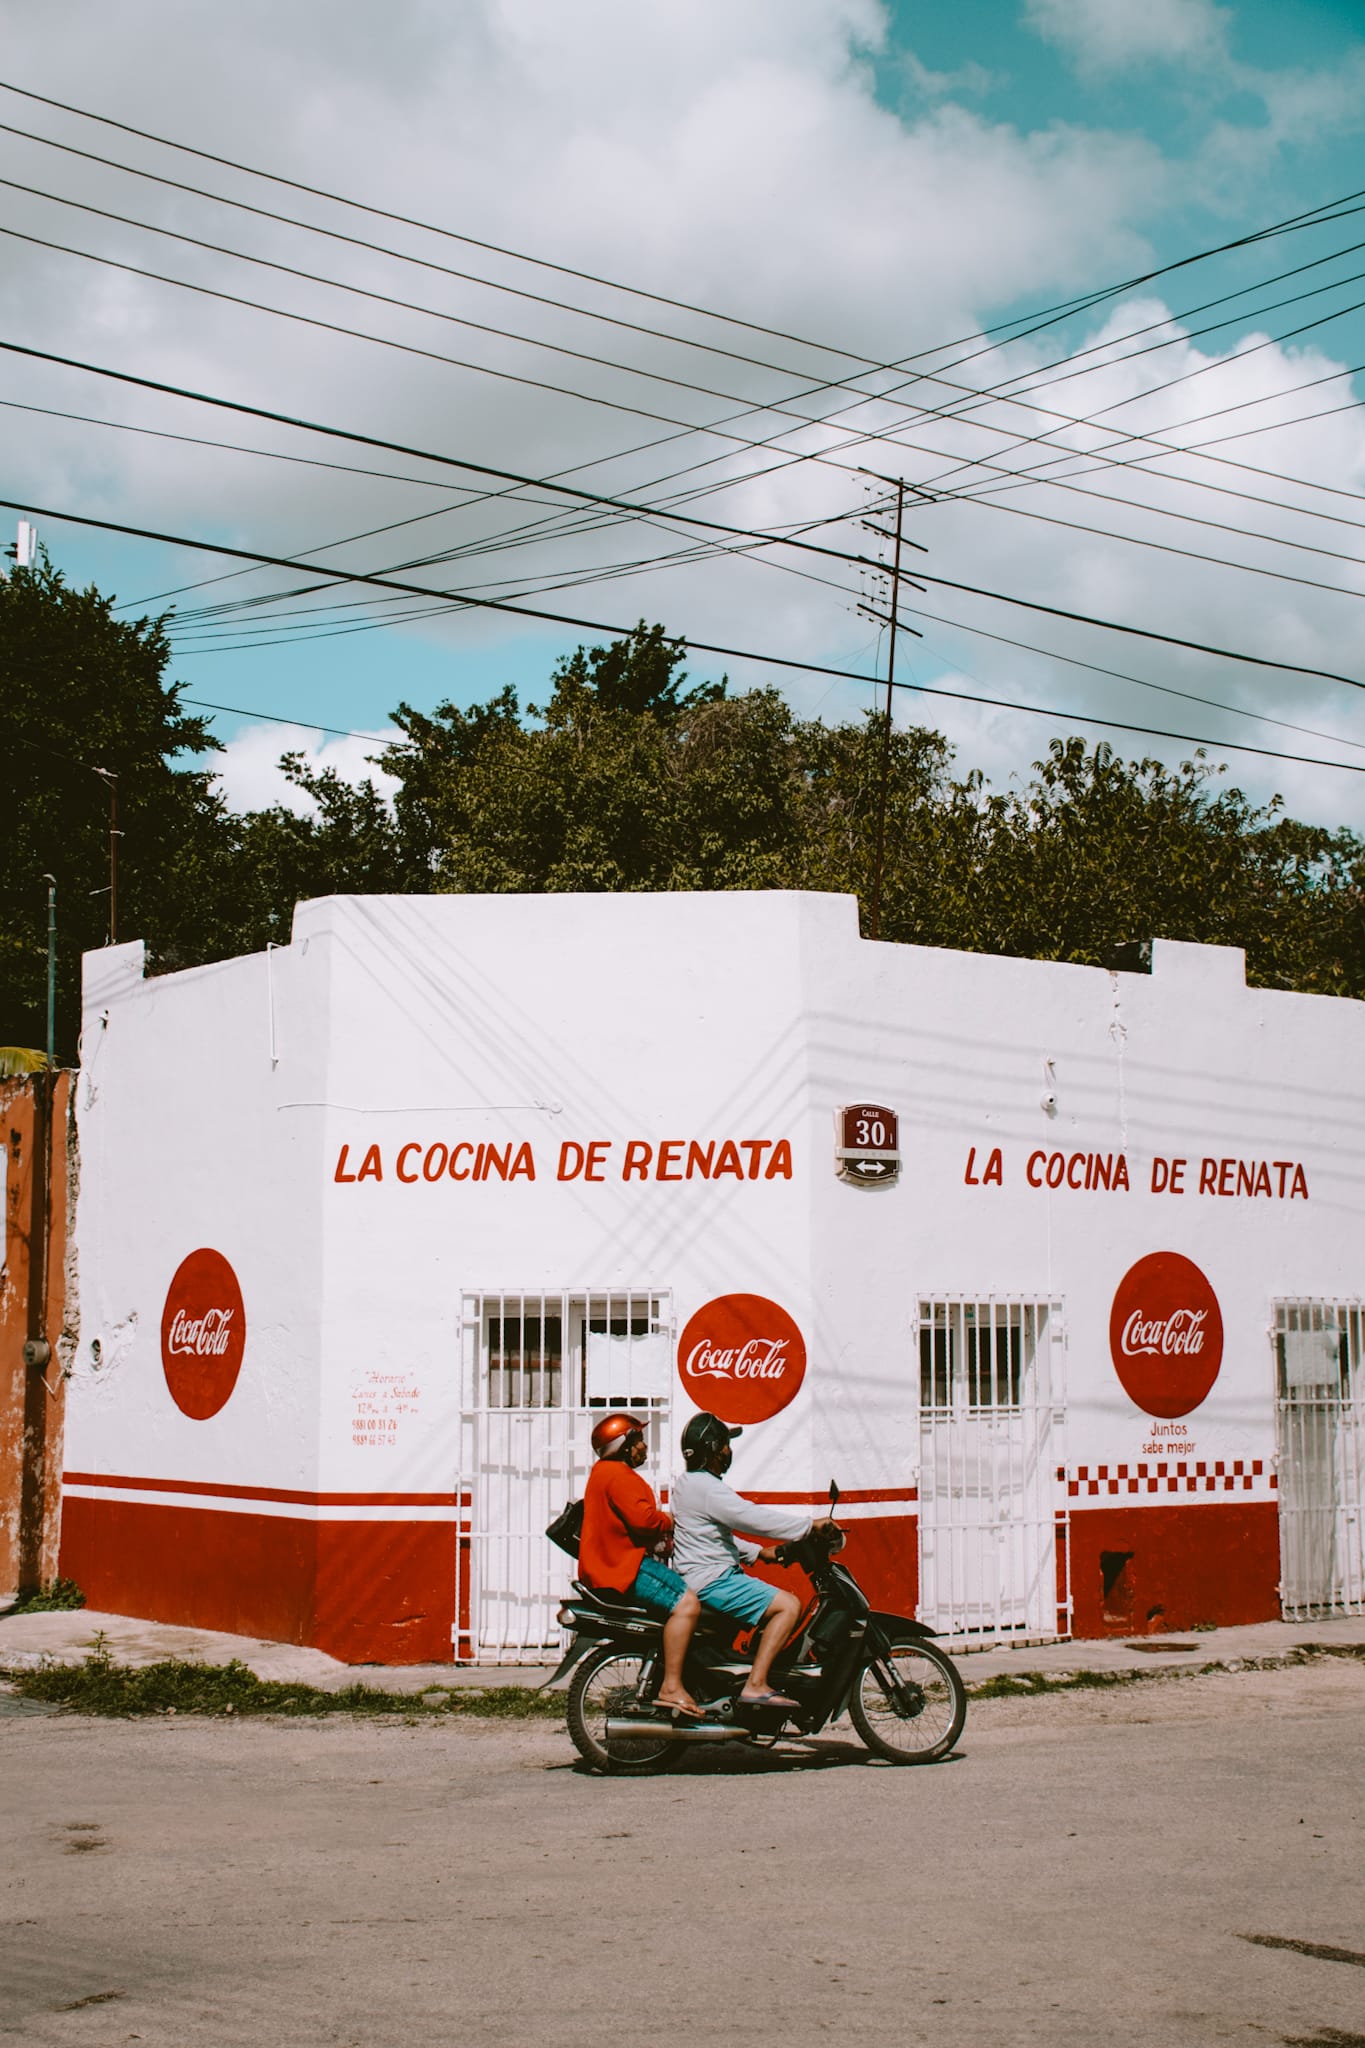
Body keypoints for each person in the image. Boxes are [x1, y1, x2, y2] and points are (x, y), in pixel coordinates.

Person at [670, 1411, 831, 1710]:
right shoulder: (708, 1488)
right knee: (788, 1606)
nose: (729, 1451)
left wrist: (759, 1553)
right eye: (725, 1445)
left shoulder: (687, 1483)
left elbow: (711, 1533)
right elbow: (749, 1516)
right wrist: (808, 1527)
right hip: (713, 1580)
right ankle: (756, 1685)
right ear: (713, 1449)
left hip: (702, 1575)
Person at [578, 1411, 703, 1718]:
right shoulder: (618, 1475)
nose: (644, 1447)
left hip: (609, 1566)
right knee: (688, 1604)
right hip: (625, 1566)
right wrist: (669, 1520)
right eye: (639, 1441)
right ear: (623, 1445)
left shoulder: (601, 1473)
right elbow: (644, 1521)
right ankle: (672, 1686)